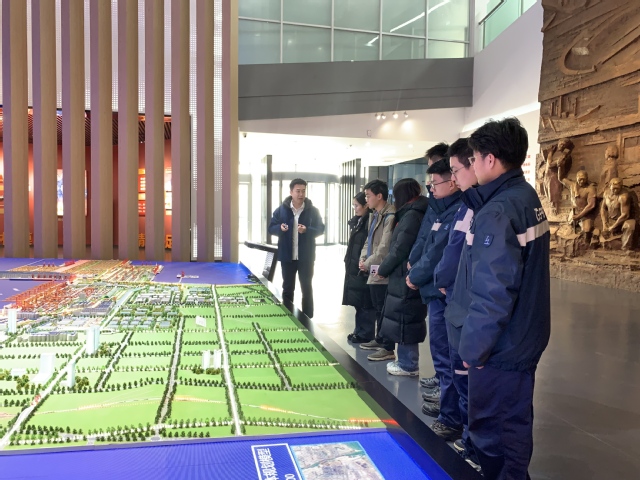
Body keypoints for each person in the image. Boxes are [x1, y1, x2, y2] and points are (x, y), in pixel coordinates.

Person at [448, 118, 550, 480]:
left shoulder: (499, 210)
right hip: (522, 335)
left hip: (501, 347)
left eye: (474, 159)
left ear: (490, 159)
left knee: (498, 434)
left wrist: (473, 349)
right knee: (511, 423)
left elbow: (493, 291)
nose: (472, 166)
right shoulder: (524, 196)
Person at [406, 157, 463, 441]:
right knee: (442, 353)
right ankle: (448, 407)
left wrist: (419, 274)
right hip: (436, 288)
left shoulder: (459, 210)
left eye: (436, 182)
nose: (431, 187)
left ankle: (451, 416)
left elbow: (443, 252)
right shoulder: (440, 208)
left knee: (449, 356)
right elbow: (427, 242)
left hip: (445, 292)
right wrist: (415, 265)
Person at [433, 138, 480, 470]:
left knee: (465, 375)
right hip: (454, 299)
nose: (453, 178)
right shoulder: (469, 204)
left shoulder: (484, 206)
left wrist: (443, 277)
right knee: (455, 369)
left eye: (455, 170)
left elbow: (458, 252)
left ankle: (471, 441)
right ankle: (462, 430)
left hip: (466, 305)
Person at [376, 178, 429, 376]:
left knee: (405, 318)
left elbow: (399, 248)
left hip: (405, 274)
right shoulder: (413, 212)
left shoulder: (412, 216)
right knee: (403, 317)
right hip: (403, 273)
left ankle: (408, 364)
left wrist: (383, 268)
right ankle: (405, 361)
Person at [408, 143, 448, 391]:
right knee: (438, 337)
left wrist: (417, 272)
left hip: (440, 281)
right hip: (430, 277)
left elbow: (440, 247)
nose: (431, 179)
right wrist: (414, 259)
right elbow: (426, 236)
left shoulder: (456, 206)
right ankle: (442, 380)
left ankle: (446, 388)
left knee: (444, 338)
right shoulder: (436, 202)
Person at [268, 179, 325, 318]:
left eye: (303, 191)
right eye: (298, 191)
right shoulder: (281, 210)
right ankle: (287, 316)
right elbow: (271, 228)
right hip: (287, 257)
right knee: (287, 288)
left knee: (307, 288)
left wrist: (307, 230)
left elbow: (321, 229)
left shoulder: (313, 211)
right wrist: (280, 228)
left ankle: (308, 318)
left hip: (306, 257)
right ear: (291, 192)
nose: (301, 194)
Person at [358, 180, 396, 361]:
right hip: (372, 266)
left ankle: (387, 346)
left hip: (382, 268)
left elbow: (384, 247)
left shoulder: (390, 216)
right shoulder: (375, 215)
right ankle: (380, 339)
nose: (366, 199)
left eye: (368, 196)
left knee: (383, 308)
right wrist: (363, 259)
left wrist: (368, 262)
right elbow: (369, 241)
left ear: (379, 196)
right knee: (377, 306)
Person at [342, 192, 376, 343]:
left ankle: (365, 334)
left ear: (366, 205)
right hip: (355, 265)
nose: (355, 208)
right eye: (354, 206)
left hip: (363, 266)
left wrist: (364, 262)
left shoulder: (370, 222)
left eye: (357, 205)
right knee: (358, 302)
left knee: (365, 302)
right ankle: (359, 331)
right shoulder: (358, 222)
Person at [558, 168, 597, 239]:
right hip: (574, 212)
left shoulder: (590, 189)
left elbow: (591, 205)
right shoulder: (572, 185)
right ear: (576, 178)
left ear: (587, 178)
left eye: (584, 179)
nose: (582, 181)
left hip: (586, 214)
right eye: (580, 179)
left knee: (587, 230)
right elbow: (561, 178)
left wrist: (579, 216)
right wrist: (560, 167)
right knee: (568, 227)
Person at [599, 177, 636, 250]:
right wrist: (604, 223)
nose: (615, 190)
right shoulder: (606, 193)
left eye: (617, 189)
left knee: (630, 225)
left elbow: (625, 215)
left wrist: (613, 227)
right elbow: (603, 208)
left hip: (622, 222)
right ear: (610, 186)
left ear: (621, 187)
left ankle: (626, 248)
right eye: (613, 188)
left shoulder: (623, 196)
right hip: (610, 220)